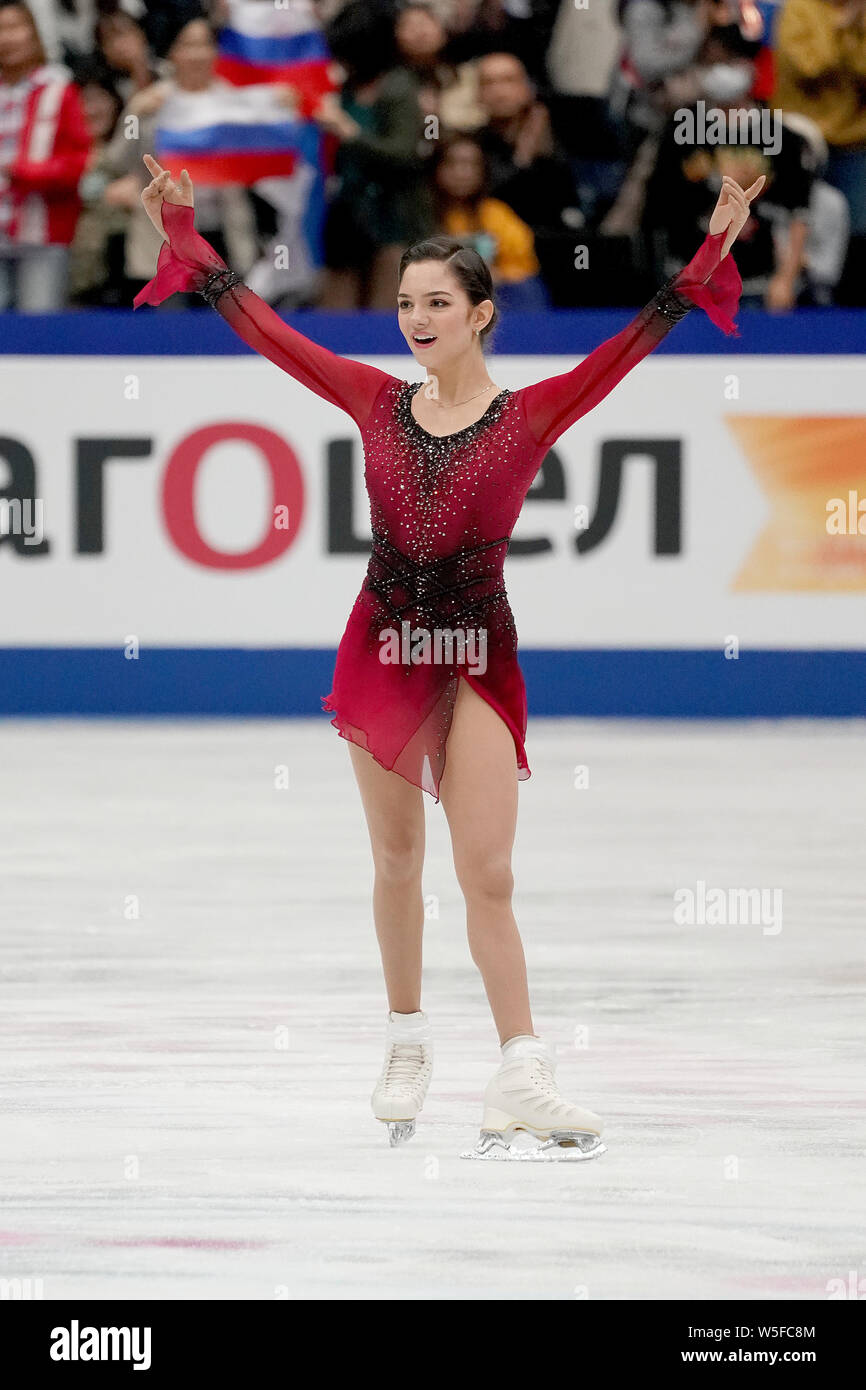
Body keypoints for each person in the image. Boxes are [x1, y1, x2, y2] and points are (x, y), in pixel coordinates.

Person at [134, 149, 763, 1161]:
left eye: (436, 301)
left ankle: (520, 1068)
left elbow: (636, 339)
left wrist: (711, 245)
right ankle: (405, 1040)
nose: (414, 318)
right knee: (395, 859)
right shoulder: (372, 400)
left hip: (474, 650)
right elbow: (266, 331)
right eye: (403, 303)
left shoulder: (533, 412)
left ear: (480, 311)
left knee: (489, 871)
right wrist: (183, 234)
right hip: (383, 642)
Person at [0, 1, 90, 311]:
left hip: (40, 235)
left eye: (14, 27)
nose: (6, 38)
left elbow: (78, 163)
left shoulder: (57, 90)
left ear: (33, 34)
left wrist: (27, 173)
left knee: (38, 335)